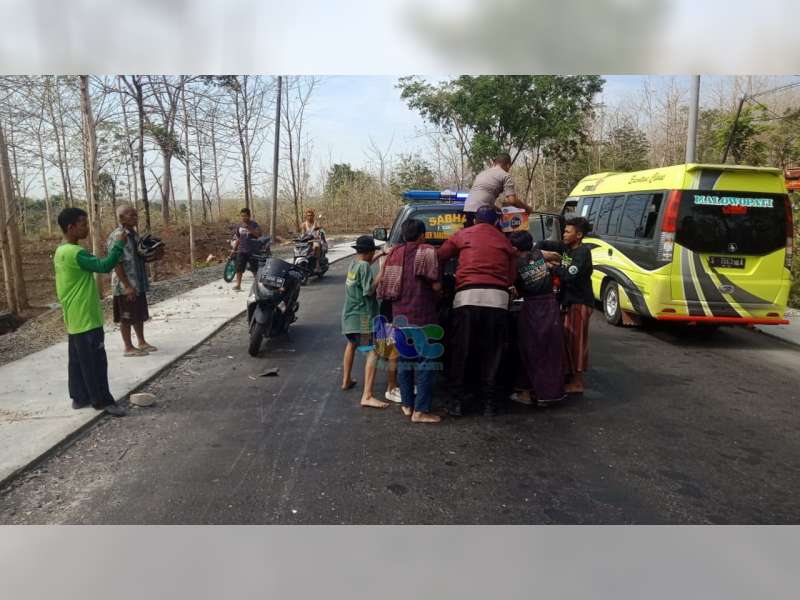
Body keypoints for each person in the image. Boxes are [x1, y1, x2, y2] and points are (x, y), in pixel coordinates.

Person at [437, 205, 518, 416]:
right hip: (497, 301)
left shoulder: (462, 235)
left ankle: (456, 402)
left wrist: (440, 283)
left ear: (474, 220)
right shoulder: (504, 241)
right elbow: (510, 277)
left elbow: (441, 256)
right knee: (493, 352)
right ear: (496, 222)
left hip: (467, 298)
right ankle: (489, 403)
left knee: (461, 351)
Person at [54, 208, 128, 417]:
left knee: (78, 360)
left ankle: (80, 397)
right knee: (96, 360)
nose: (87, 228)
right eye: (83, 224)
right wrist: (118, 245)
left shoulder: (61, 251)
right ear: (71, 227)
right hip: (86, 315)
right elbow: (105, 266)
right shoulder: (76, 253)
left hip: (73, 316)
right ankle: (103, 400)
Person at [377, 219, 442, 423]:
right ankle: (421, 410)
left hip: (399, 317)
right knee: (426, 363)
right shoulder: (427, 251)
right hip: (423, 317)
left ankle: (407, 405)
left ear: (404, 235)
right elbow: (435, 285)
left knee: (405, 362)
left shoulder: (394, 254)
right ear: (422, 235)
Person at [536, 217, 594, 394]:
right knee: (567, 340)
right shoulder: (566, 247)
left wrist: (552, 267)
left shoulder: (582, 253)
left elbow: (570, 275)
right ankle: (568, 375)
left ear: (579, 235)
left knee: (577, 342)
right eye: (564, 231)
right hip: (568, 301)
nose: (564, 234)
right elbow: (544, 244)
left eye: (568, 232)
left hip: (580, 302)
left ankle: (578, 382)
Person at [508, 231, 566, 405]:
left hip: (533, 308)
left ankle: (526, 393)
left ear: (515, 248)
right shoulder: (538, 253)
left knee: (530, 350)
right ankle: (549, 394)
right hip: (551, 306)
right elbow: (556, 255)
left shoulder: (515, 263)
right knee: (550, 350)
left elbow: (509, 283)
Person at [341, 235, 389, 409]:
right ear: (369, 252)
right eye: (373, 252)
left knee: (351, 345)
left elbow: (365, 265)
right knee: (372, 353)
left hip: (350, 315)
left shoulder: (354, 264)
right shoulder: (366, 268)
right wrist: (381, 275)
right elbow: (369, 291)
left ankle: (346, 380)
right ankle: (367, 395)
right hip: (363, 317)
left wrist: (380, 254)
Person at [107, 205, 157, 357]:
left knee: (138, 313)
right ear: (121, 218)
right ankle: (128, 347)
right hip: (125, 285)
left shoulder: (134, 235)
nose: (135, 217)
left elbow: (140, 257)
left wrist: (155, 255)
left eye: (136, 214)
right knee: (126, 316)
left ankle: (141, 342)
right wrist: (127, 286)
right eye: (131, 215)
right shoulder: (117, 236)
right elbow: (117, 262)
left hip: (138, 283)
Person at [463, 153, 531, 227]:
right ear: (508, 165)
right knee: (500, 231)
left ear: (495, 163)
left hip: (467, 209)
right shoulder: (505, 175)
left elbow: (482, 197)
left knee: (470, 235)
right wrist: (527, 208)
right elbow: (512, 201)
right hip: (483, 213)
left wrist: (496, 208)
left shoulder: (482, 173)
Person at [232, 207, 262, 291]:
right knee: (239, 268)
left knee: (254, 269)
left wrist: (249, 228)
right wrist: (234, 249)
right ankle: (238, 285)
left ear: (249, 216)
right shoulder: (239, 226)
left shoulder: (254, 224)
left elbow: (258, 235)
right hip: (241, 250)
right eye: (242, 216)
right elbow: (238, 238)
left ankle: (258, 286)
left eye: (245, 216)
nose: (243, 218)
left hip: (252, 250)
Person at [300, 208, 327, 274]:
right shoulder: (303, 225)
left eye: (311, 215)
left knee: (316, 246)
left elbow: (319, 232)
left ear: (313, 216)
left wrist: (317, 233)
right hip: (307, 241)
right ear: (306, 216)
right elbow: (303, 234)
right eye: (308, 215)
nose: (309, 217)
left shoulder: (316, 223)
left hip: (315, 240)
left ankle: (317, 265)